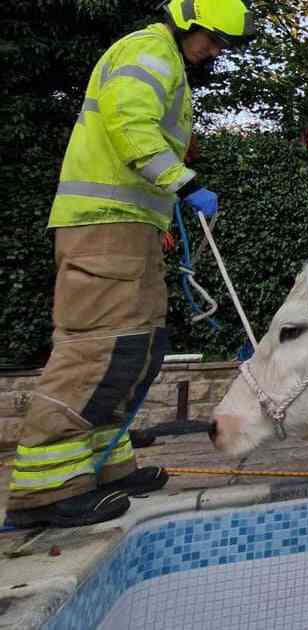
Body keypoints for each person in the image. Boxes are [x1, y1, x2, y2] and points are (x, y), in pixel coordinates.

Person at [5, 0, 255, 528]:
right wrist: (183, 182)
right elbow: (129, 121)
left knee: (134, 347)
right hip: (104, 224)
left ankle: (105, 465)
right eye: (212, 39)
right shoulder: (150, 51)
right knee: (98, 347)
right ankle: (45, 489)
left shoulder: (165, 62)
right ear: (187, 21)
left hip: (130, 227)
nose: (214, 52)